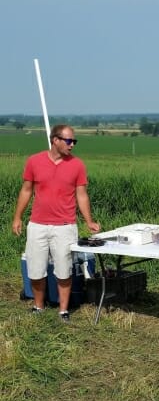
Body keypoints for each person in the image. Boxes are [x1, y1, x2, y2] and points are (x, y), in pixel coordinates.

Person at [12, 124, 100, 322]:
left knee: (64, 270)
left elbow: (82, 195)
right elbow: (26, 190)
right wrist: (17, 217)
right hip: (37, 225)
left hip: (65, 226)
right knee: (35, 269)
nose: (72, 145)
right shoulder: (34, 161)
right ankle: (38, 306)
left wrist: (89, 221)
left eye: (74, 141)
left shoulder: (77, 165)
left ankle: (63, 310)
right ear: (55, 140)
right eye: (69, 141)